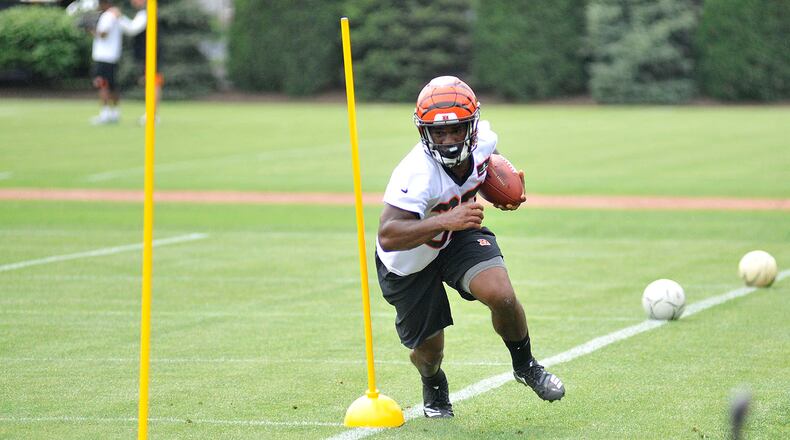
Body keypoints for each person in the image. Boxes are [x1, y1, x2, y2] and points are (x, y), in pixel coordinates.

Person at [375, 76, 565, 418]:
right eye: (438, 132)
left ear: (473, 127)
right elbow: (388, 233)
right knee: (430, 352)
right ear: (424, 132)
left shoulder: (484, 141)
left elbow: (489, 162)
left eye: (456, 130)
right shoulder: (415, 173)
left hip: (455, 236)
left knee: (502, 294)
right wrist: (445, 220)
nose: (447, 140)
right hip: (409, 259)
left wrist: (503, 192)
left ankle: (526, 366)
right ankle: (433, 385)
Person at [116, 0, 163, 125]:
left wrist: (119, 17)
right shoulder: (144, 12)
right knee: (150, 83)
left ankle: (152, 115)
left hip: (151, 55)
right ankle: (151, 114)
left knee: (153, 84)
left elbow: (132, 29)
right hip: (147, 55)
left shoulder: (146, 13)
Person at [89, 0, 124, 125]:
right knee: (112, 86)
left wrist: (91, 30)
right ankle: (114, 113)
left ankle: (105, 114)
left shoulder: (108, 15)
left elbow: (104, 33)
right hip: (112, 56)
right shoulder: (115, 14)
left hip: (104, 57)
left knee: (103, 85)